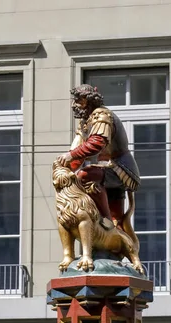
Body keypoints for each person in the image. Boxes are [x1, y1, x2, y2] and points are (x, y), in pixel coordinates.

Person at [56, 84, 140, 230]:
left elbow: (97, 143)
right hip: (107, 169)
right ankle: (114, 234)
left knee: (85, 175)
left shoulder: (102, 115)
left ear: (88, 100)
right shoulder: (85, 123)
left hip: (120, 169)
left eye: (78, 101)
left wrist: (71, 156)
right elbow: (77, 149)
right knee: (118, 219)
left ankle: (105, 220)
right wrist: (66, 168)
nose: (74, 105)